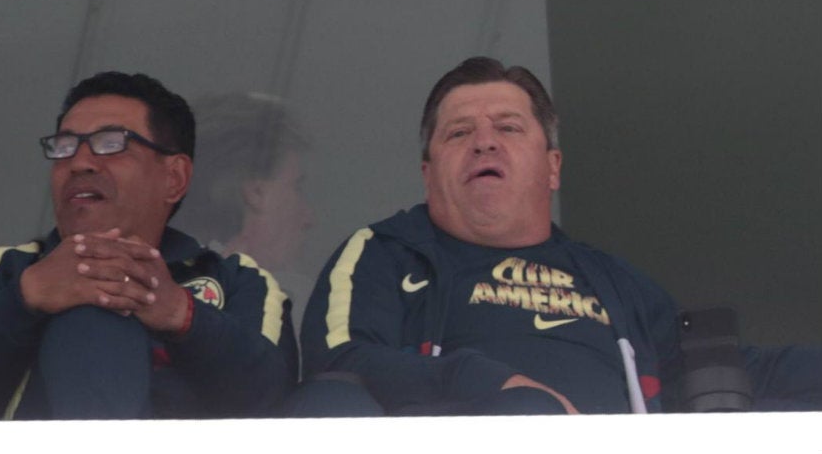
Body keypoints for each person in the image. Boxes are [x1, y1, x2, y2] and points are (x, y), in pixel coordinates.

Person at [299, 56, 820, 415]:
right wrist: (488, 381)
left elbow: (727, 371)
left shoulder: (615, 283)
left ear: (552, 168)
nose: (484, 143)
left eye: (508, 128)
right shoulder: (383, 254)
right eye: (459, 133)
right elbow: (337, 365)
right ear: (427, 172)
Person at [0, 72, 297, 419]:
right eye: (65, 146)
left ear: (174, 177)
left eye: (110, 144)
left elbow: (272, 398)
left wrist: (181, 315)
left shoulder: (240, 280)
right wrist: (27, 299)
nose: (79, 163)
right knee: (92, 318)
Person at [172, 92, 315, 311]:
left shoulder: (140, 288)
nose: (308, 218)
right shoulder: (296, 318)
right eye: (297, 187)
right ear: (256, 193)